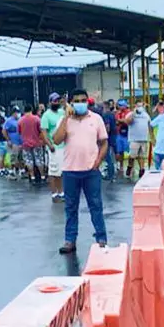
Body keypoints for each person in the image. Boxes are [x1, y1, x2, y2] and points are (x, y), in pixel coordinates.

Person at [51, 90, 108, 255]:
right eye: (77, 101)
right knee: (70, 207)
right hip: (70, 171)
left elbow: (104, 143)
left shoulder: (96, 119)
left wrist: (98, 161)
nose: (81, 103)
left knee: (96, 205)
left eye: (83, 100)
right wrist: (67, 118)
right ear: (71, 103)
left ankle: (101, 238)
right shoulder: (65, 120)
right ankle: (70, 240)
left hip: (91, 171)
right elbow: (56, 140)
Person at [41, 94, 65, 201]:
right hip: (54, 148)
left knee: (61, 172)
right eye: (54, 101)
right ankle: (54, 193)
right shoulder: (46, 116)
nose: (56, 103)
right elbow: (44, 133)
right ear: (50, 102)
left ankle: (61, 192)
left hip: (63, 146)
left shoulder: (62, 113)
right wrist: (49, 145)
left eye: (58, 101)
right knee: (53, 171)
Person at [18, 104, 45, 184]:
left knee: (29, 161)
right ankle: (42, 176)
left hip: (25, 144)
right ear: (31, 110)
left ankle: (32, 177)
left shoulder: (20, 120)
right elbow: (41, 130)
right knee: (39, 160)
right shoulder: (36, 119)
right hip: (37, 143)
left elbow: (19, 132)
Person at [124, 101, 151, 179]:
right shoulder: (131, 114)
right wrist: (134, 113)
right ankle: (129, 167)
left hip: (144, 138)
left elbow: (149, 125)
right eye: (138, 105)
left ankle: (142, 170)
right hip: (134, 139)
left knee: (141, 155)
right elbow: (128, 122)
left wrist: (151, 137)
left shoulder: (146, 115)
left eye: (141, 105)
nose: (140, 107)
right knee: (132, 155)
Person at [100, 102, 118, 182]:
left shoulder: (106, 115)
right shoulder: (112, 114)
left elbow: (107, 127)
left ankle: (110, 175)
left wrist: (104, 137)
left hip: (108, 138)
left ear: (105, 107)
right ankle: (112, 174)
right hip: (113, 137)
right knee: (111, 157)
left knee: (108, 157)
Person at [3, 107, 23, 179]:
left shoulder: (20, 120)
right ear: (13, 113)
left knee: (21, 158)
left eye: (18, 112)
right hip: (13, 143)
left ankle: (21, 171)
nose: (17, 114)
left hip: (21, 142)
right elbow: (4, 131)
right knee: (13, 157)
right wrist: (8, 140)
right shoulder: (9, 121)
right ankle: (11, 172)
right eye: (16, 112)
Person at [113, 99, 131, 179]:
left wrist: (121, 121)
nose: (120, 107)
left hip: (128, 134)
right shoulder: (117, 113)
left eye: (121, 106)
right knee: (120, 152)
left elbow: (127, 121)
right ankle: (121, 166)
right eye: (119, 106)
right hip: (119, 133)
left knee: (131, 152)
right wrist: (121, 121)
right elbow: (116, 121)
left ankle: (130, 166)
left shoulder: (129, 113)